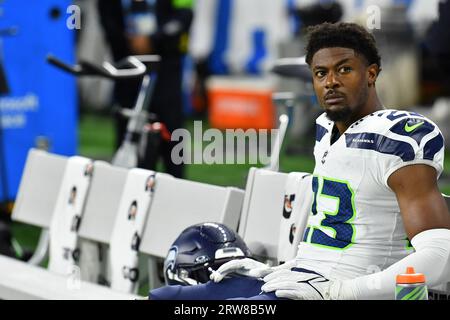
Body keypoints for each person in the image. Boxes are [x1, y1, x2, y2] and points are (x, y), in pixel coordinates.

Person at [149, 22, 450, 300]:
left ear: (371, 73)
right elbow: (334, 235)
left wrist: (343, 291)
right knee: (165, 298)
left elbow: (439, 255)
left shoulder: (399, 136)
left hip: (351, 290)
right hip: (303, 280)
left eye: (344, 70)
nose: (330, 82)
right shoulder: (327, 129)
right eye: (321, 74)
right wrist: (276, 269)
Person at [98, 0, 193, 178]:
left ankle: (178, 192)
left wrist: (152, 39)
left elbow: (185, 16)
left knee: (172, 142)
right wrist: (129, 42)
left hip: (166, 71)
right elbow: (107, 20)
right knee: (128, 136)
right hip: (128, 71)